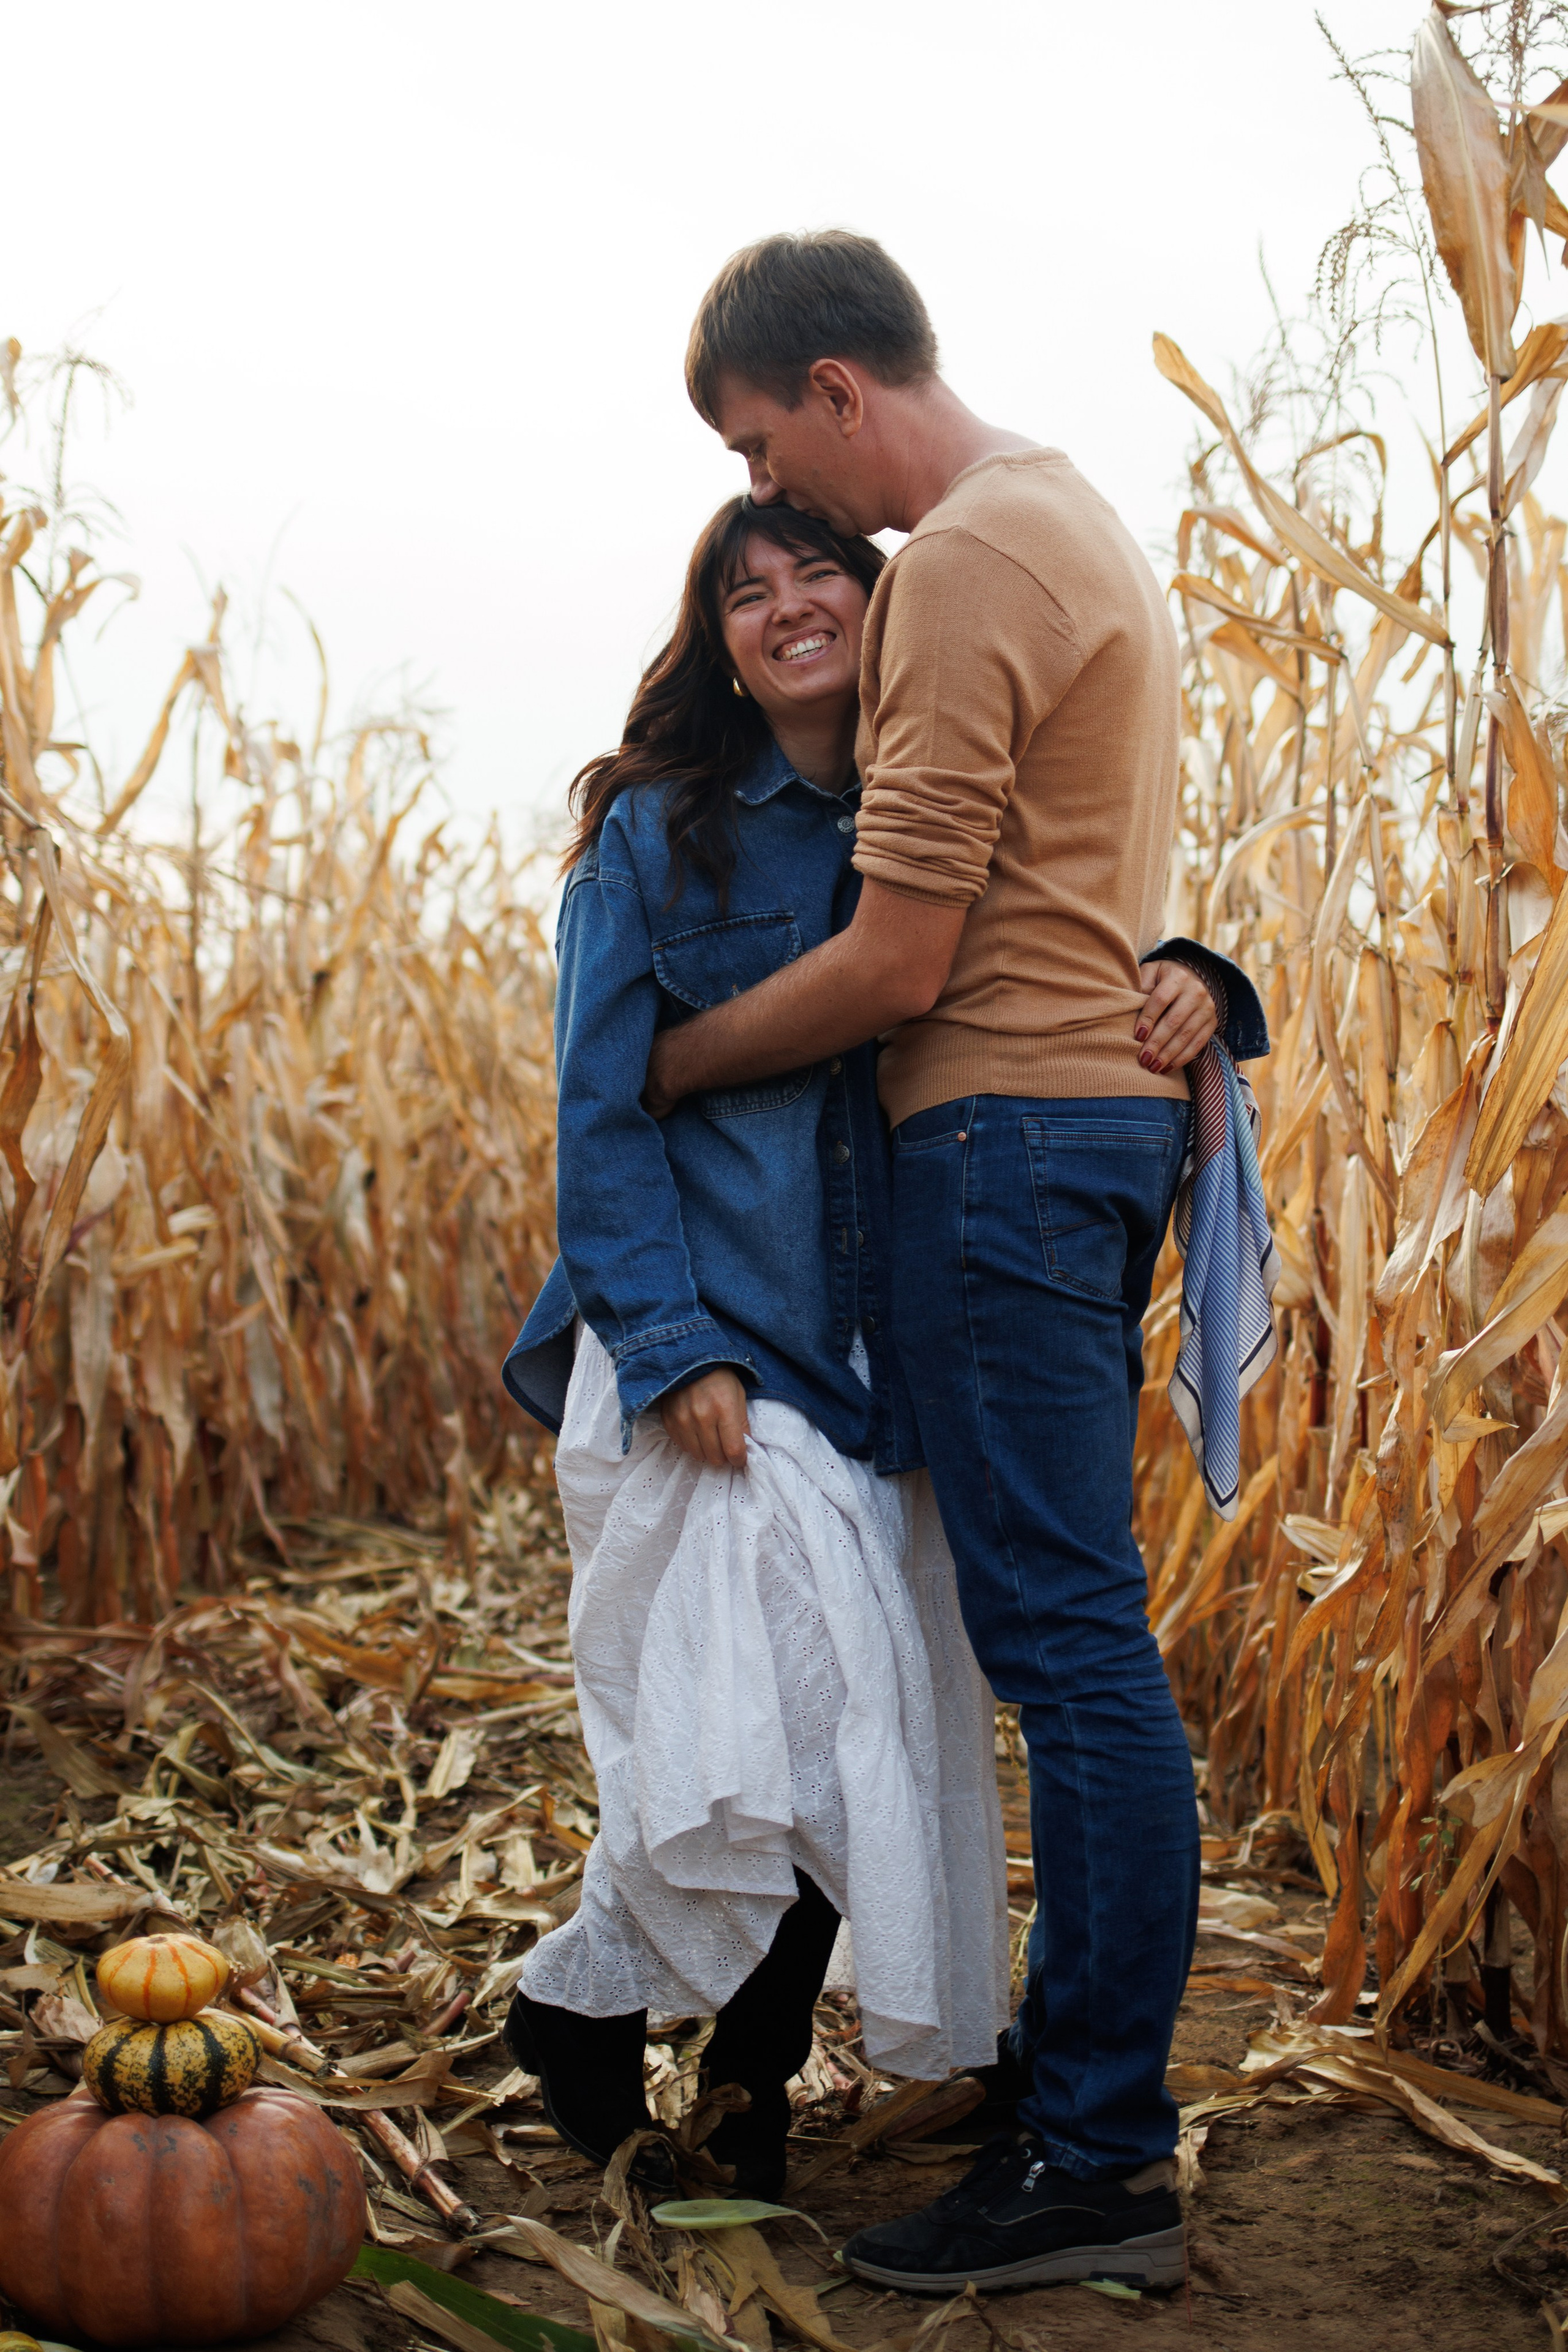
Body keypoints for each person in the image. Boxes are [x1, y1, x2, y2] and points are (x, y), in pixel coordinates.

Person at [643, 231, 1269, 2293]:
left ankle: (1093, 2155)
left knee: (1074, 1655)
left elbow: (910, 957)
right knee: (1063, 1640)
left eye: (760, 441)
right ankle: (1072, 2104)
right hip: (1063, 1133)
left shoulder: (979, 557)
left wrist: (676, 1058)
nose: (777, 491)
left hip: (1000, 1140)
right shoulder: (1060, 510)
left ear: (833, 387)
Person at [499, 494, 1017, 2202]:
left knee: (833, 1737)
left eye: (819, 574)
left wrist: (1197, 983)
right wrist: (672, 1344)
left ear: (885, 600)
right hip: (715, 1355)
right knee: (784, 1732)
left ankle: (705, 2067)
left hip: (879, 1369)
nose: (787, 607)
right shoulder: (655, 834)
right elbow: (599, 1112)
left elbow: (1071, 946)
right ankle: (667, 2043)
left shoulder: (934, 817)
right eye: (746, 591)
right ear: (714, 635)